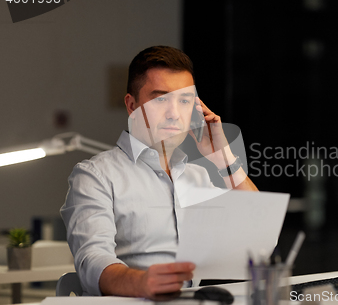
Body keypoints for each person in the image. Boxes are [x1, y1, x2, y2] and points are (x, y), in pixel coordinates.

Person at [60, 46, 258, 299]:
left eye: (184, 100)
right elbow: (92, 259)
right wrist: (143, 282)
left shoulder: (197, 176)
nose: (174, 113)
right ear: (132, 105)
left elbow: (257, 238)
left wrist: (223, 158)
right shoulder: (95, 176)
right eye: (160, 98)